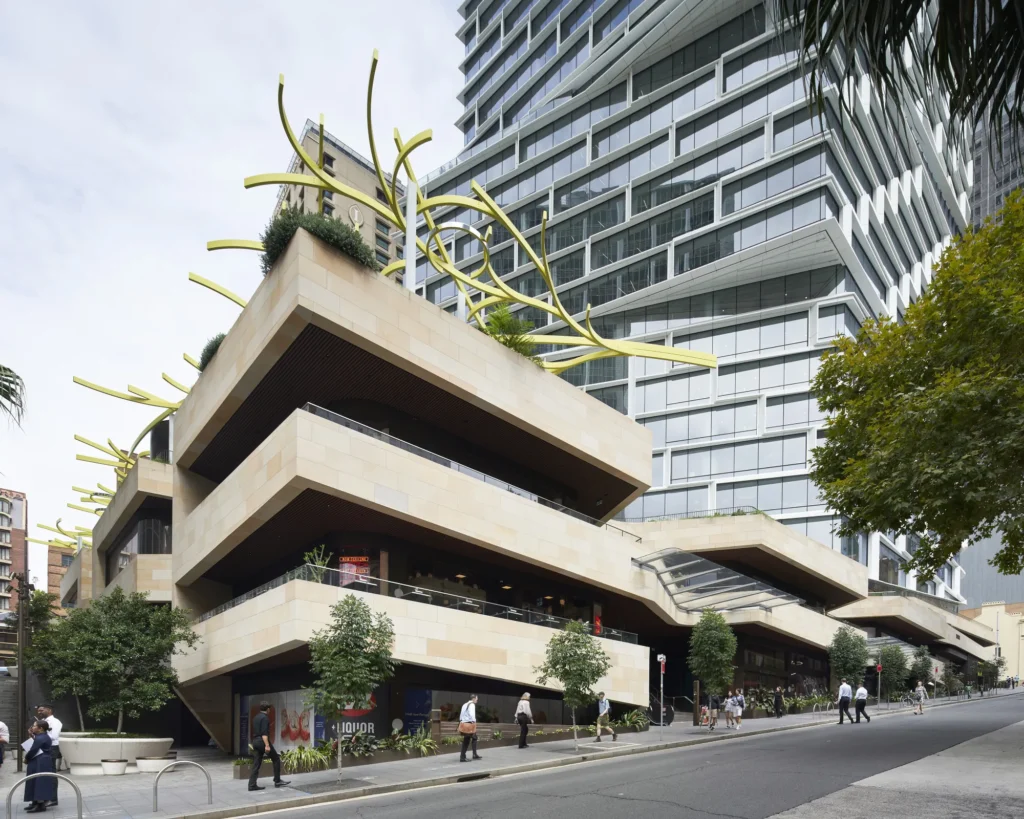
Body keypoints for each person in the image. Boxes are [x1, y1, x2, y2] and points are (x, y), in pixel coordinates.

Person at [248, 701, 289, 791]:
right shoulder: (265, 718)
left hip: (255, 741)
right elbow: (264, 733)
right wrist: (267, 745)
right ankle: (277, 780)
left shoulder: (256, 717)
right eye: (269, 709)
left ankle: (251, 785)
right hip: (262, 741)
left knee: (256, 763)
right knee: (276, 759)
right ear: (268, 709)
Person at [24, 720, 55, 813]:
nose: (32, 727)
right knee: (34, 780)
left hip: (40, 761)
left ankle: (40, 804)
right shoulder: (42, 736)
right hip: (40, 760)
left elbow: (33, 750)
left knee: (39, 782)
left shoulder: (41, 738)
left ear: (40, 728)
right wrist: (32, 735)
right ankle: (35, 802)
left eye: (34, 726)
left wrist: (26, 758)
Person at [36, 706, 62, 776]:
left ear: (49, 710)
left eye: (41, 710)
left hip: (51, 748)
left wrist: (40, 734)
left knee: (50, 770)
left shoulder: (55, 722)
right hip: (42, 747)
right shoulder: (42, 721)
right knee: (43, 770)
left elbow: (54, 736)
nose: (39, 712)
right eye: (38, 711)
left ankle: (52, 786)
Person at [459, 694, 481, 762]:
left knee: (474, 738)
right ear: (473, 698)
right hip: (469, 725)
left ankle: (474, 754)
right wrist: (474, 722)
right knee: (466, 740)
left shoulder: (464, 704)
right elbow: (472, 715)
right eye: (477, 699)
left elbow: (461, 716)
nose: (477, 700)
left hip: (464, 724)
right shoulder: (472, 705)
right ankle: (462, 757)